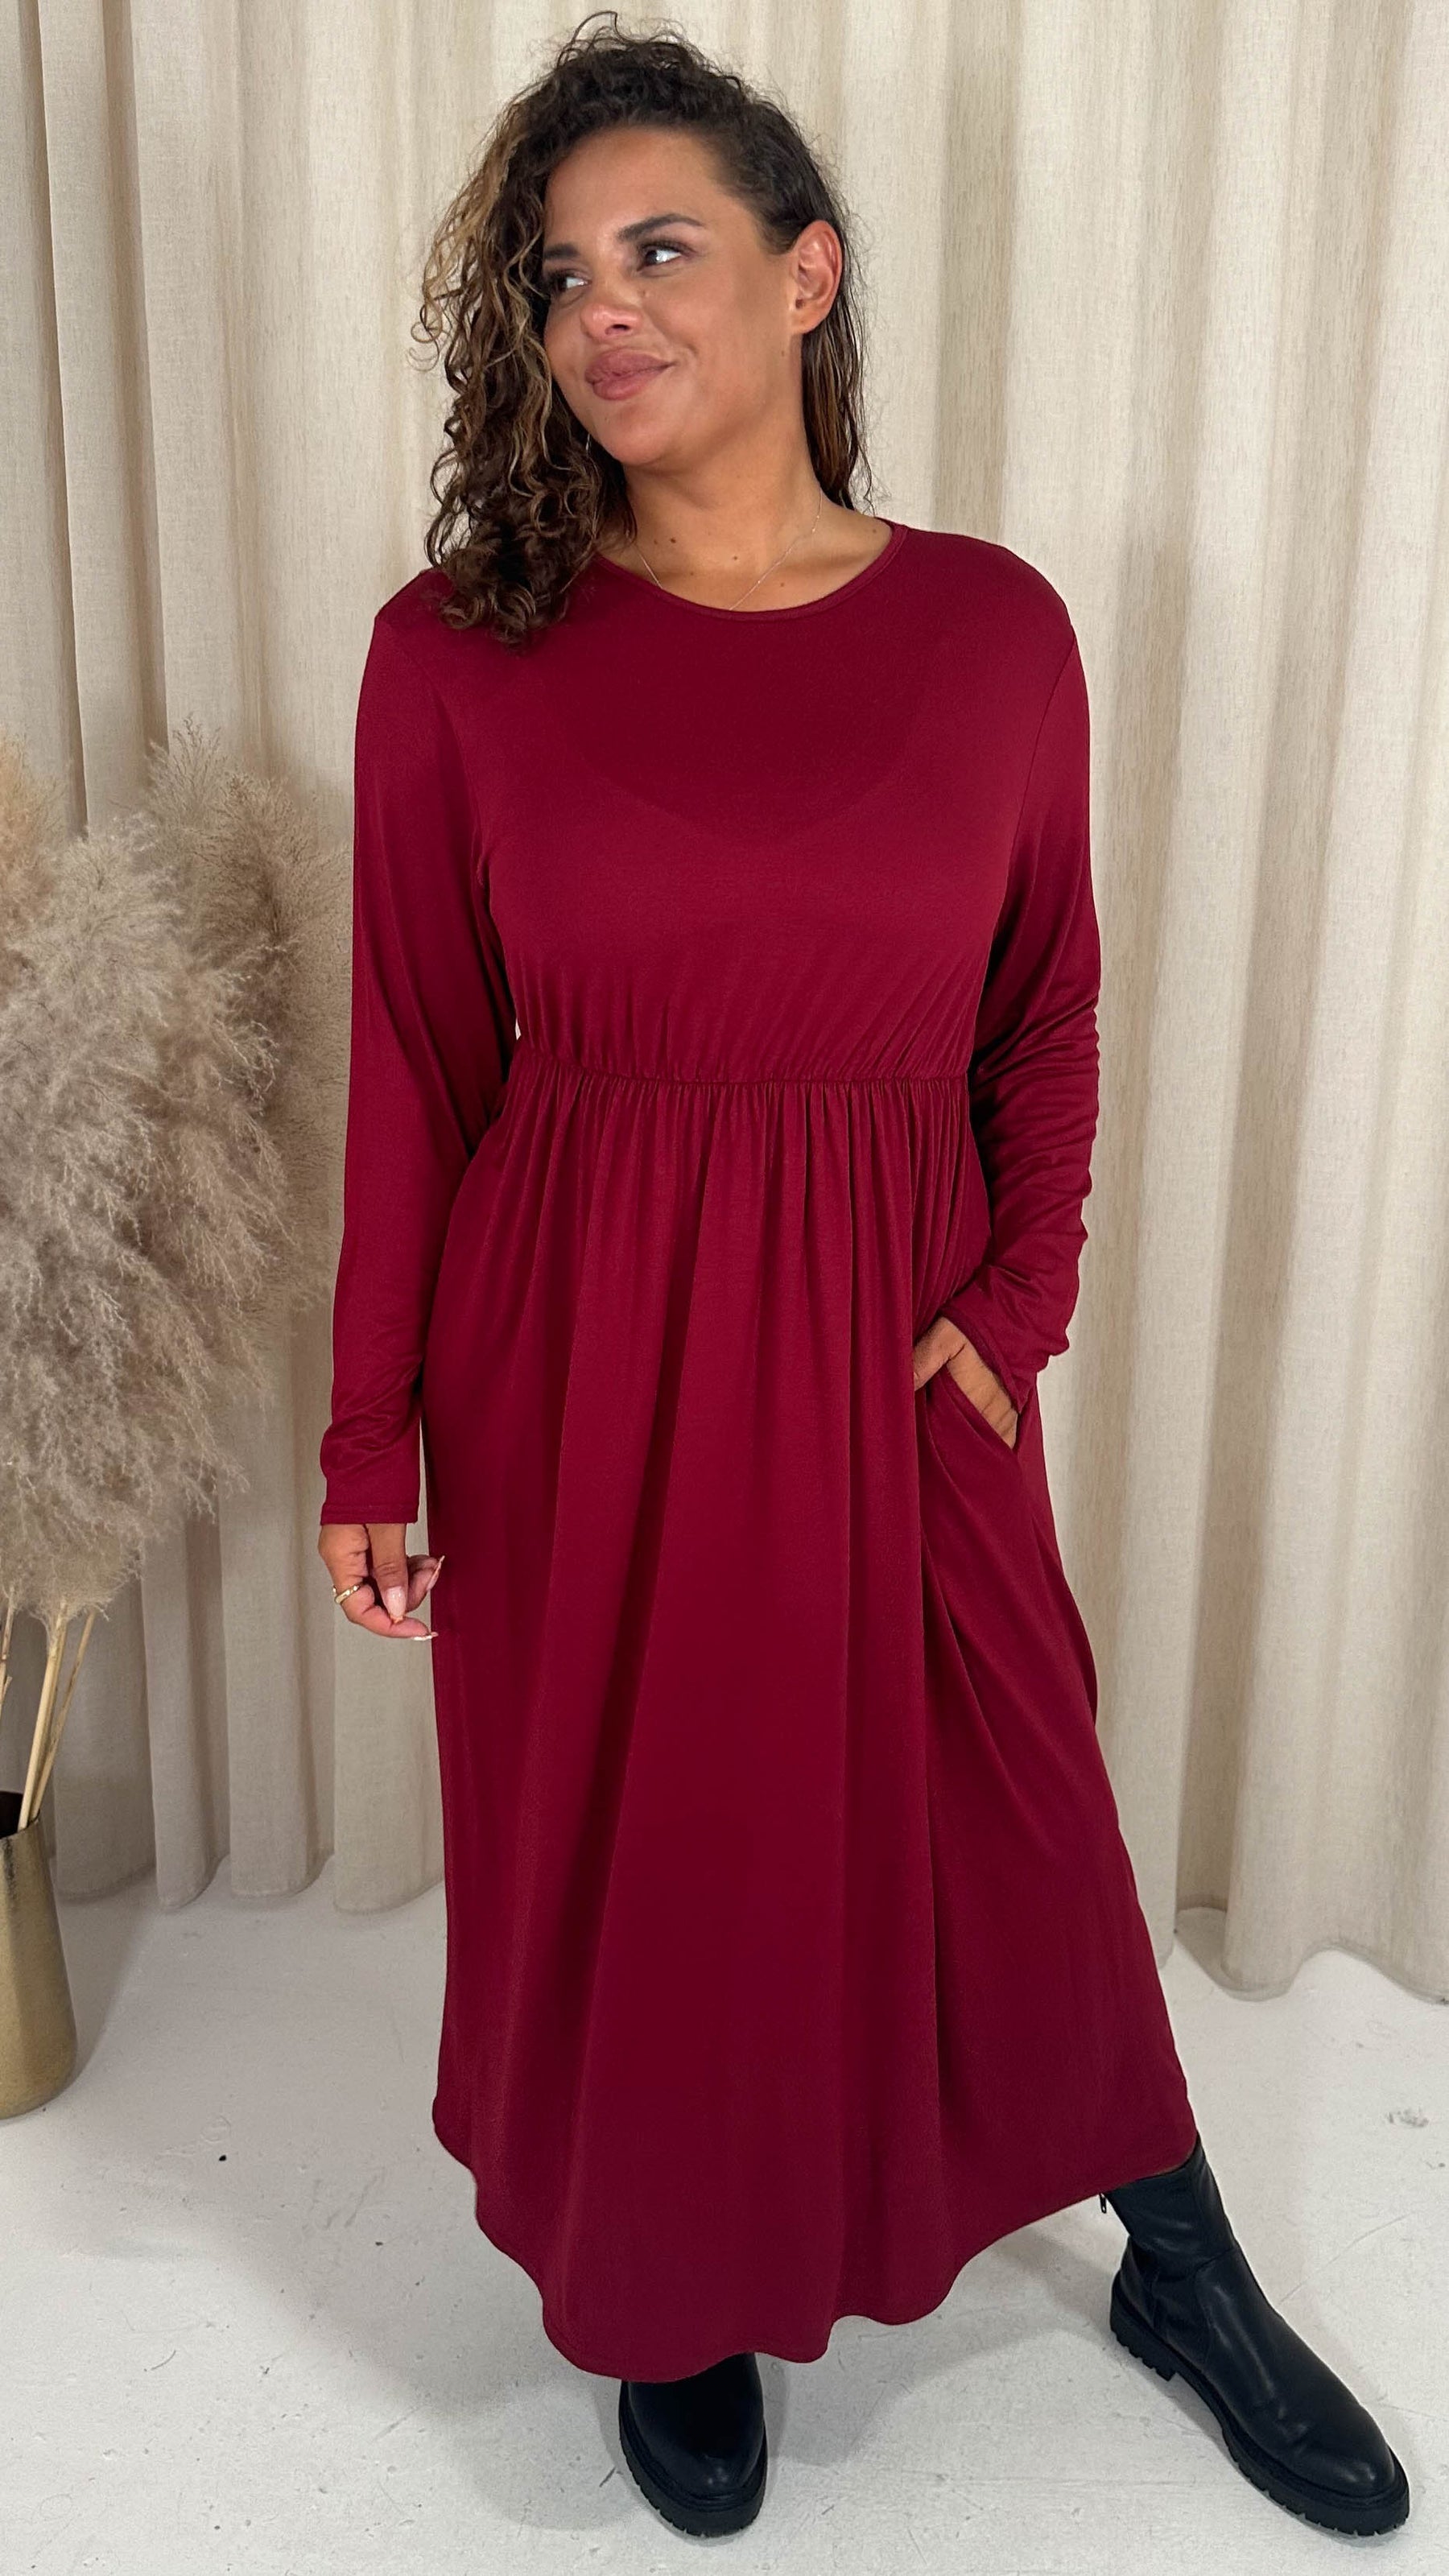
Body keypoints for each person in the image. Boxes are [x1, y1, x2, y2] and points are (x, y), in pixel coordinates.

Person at [316, 12, 1409, 2545]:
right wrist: (375, 1431)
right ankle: (676, 2291)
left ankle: (1180, 2261)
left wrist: (1011, 1318)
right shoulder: (453, 653)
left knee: (1010, 1807)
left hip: (892, 1335)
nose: (603, 307)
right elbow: (415, 1063)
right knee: (653, 1835)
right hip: (578, 1344)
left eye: (661, 247)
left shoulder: (997, 633)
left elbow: (1050, 1015)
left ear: (807, 276)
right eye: (557, 272)